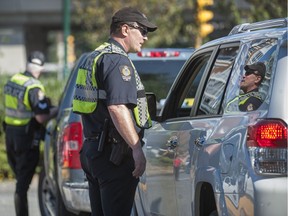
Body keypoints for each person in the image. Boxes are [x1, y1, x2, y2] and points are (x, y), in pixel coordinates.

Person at [72, 6, 157, 216]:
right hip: (114, 155)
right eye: (142, 31)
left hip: (95, 150)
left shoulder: (95, 56)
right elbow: (118, 107)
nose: (145, 38)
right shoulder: (117, 60)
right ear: (125, 29)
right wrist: (136, 149)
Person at [3, 51, 58, 216]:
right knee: (22, 186)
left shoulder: (13, 80)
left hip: (10, 136)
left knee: (20, 181)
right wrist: (55, 111)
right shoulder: (34, 87)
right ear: (40, 68)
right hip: (26, 138)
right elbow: (41, 117)